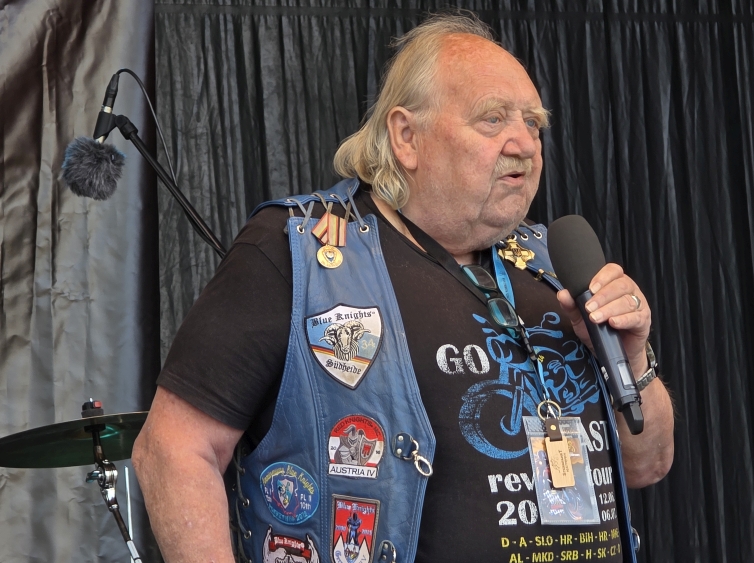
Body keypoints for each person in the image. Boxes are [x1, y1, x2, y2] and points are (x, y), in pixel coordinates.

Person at [132, 12, 674, 563]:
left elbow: (647, 464)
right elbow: (172, 449)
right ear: (406, 137)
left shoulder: (555, 264)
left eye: (533, 123)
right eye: (493, 119)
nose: (525, 144)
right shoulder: (299, 252)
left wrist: (632, 361)